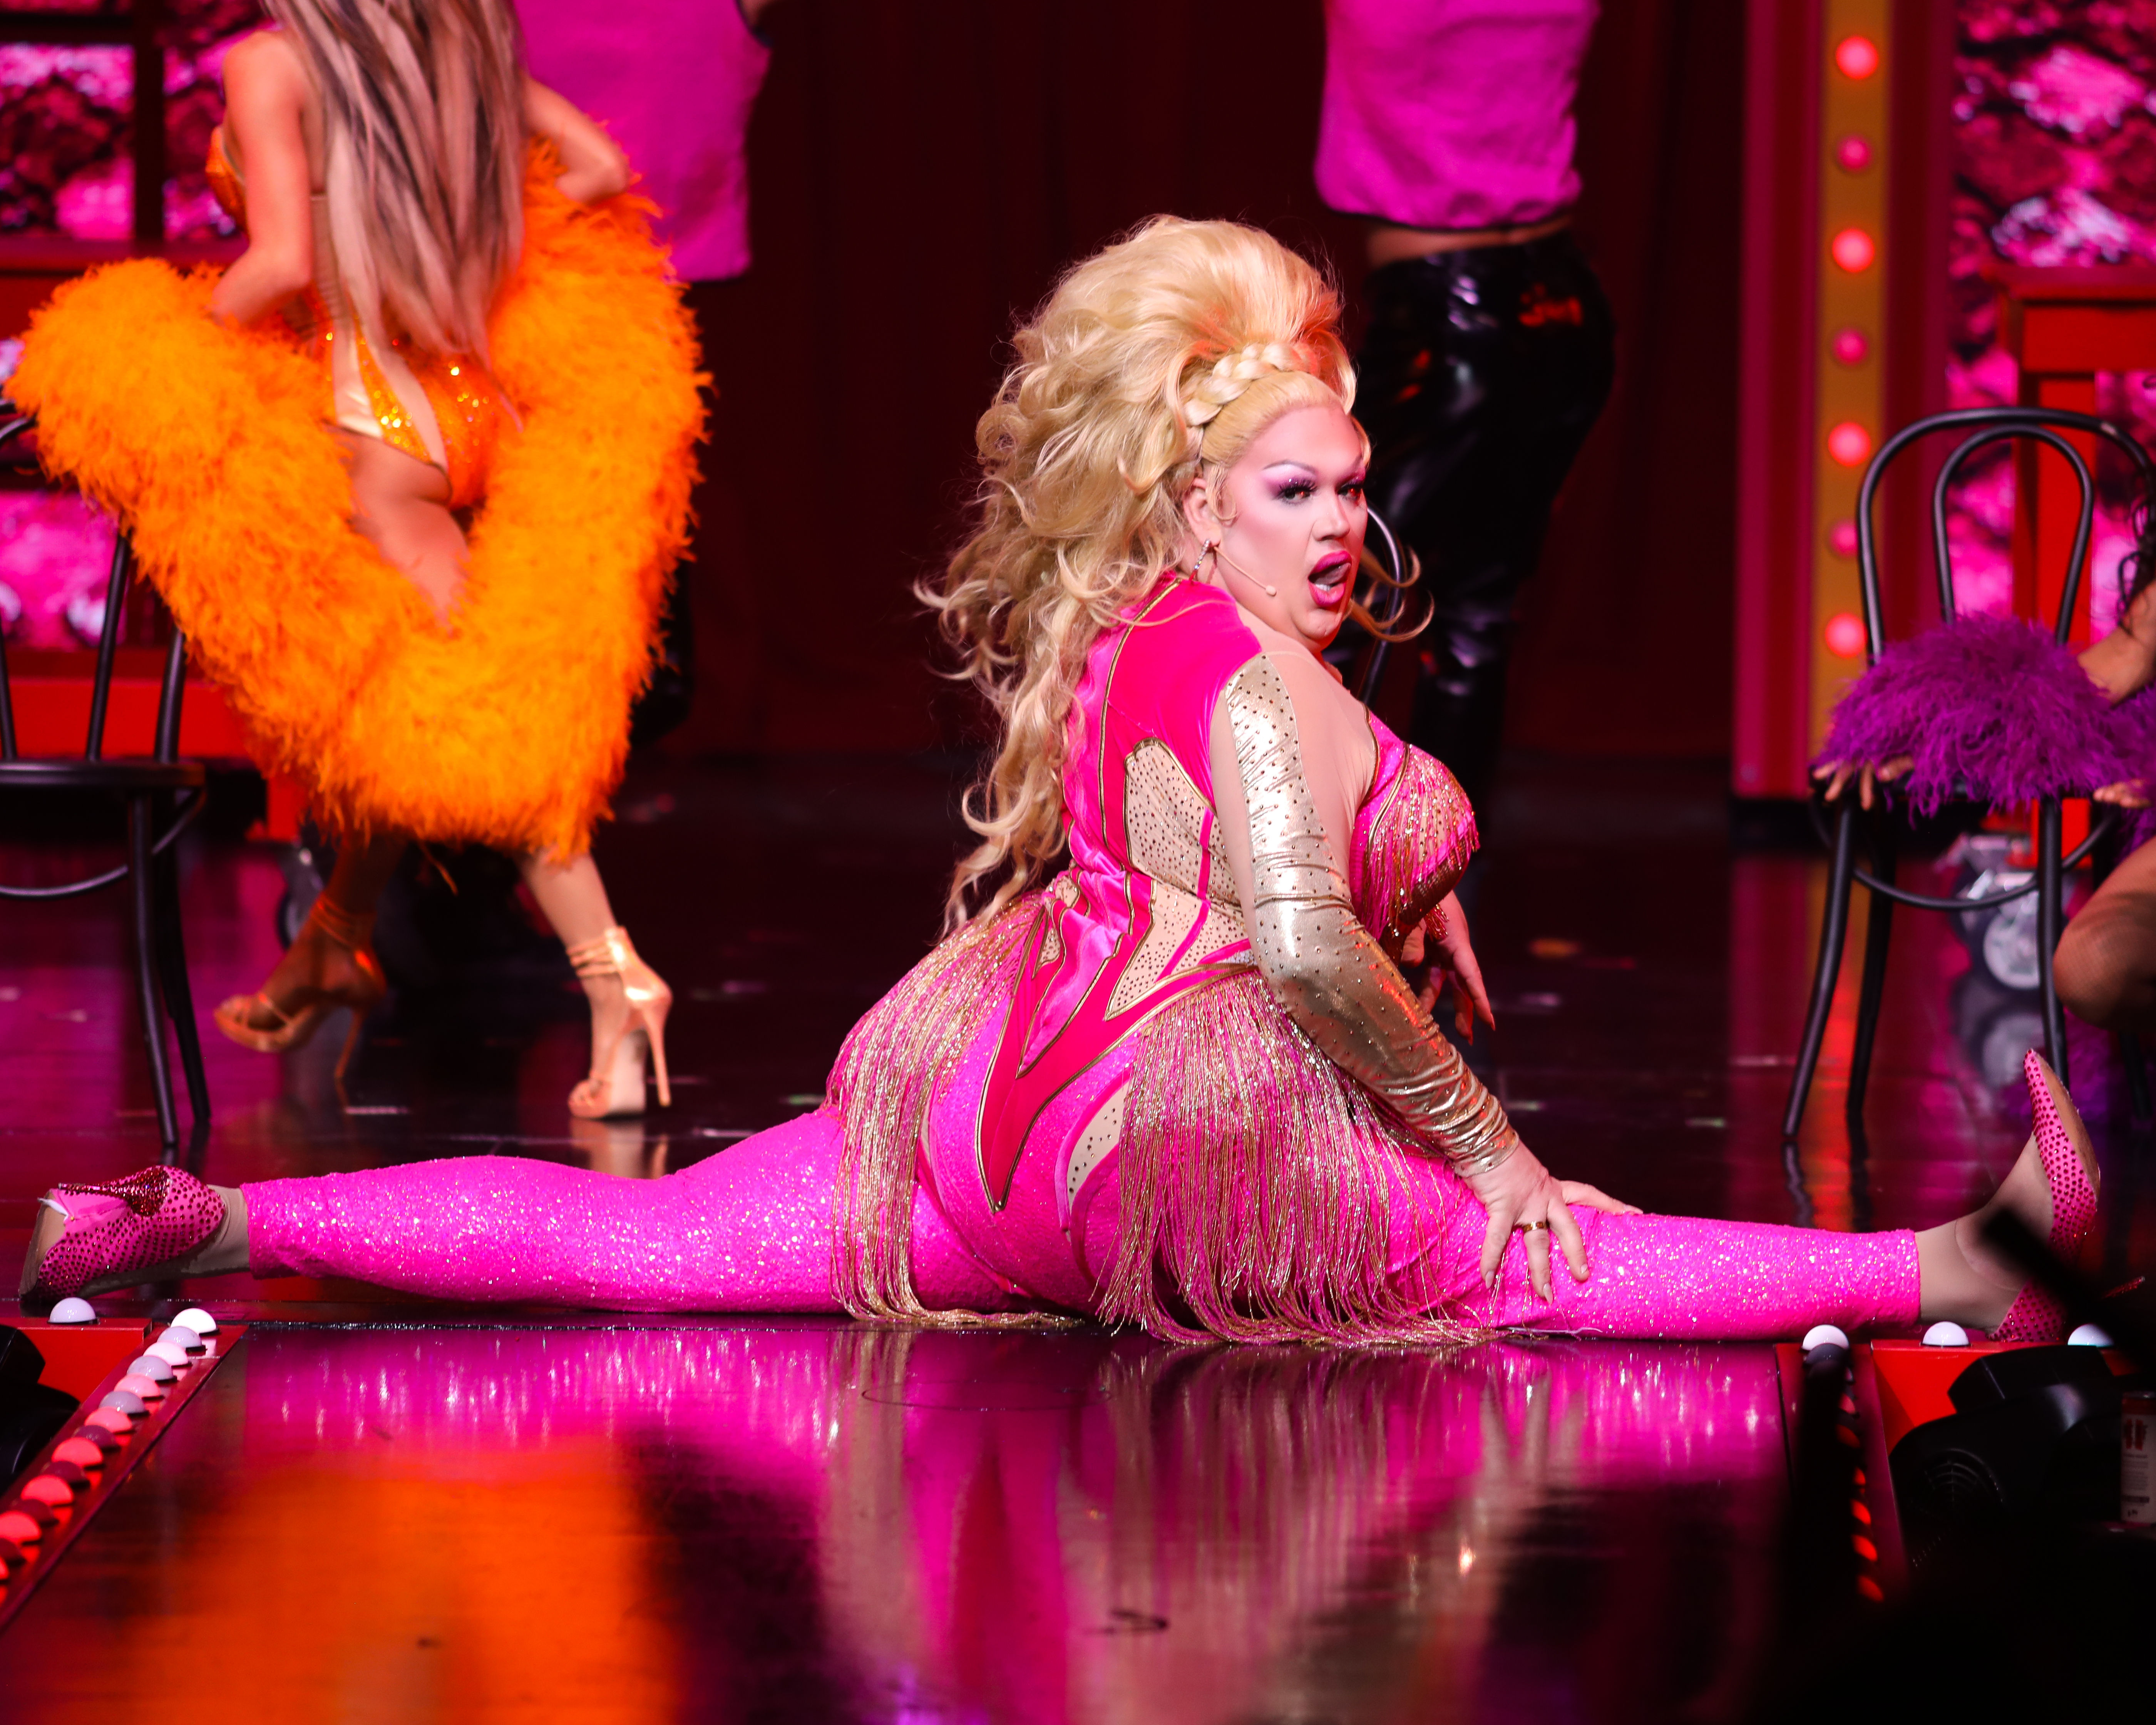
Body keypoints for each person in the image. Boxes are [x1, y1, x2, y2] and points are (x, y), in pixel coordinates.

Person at [21, 220, 2101, 1346]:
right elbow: (1302, 946)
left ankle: (202, 1218)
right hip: (1167, 1148)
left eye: (1351, 487)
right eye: (1292, 493)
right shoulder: (1270, 694)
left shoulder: (1133, 631)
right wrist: (1487, 1157)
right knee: (1553, 1259)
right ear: (1193, 498)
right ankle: (1954, 1266)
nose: (1338, 525)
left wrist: (1417, 870)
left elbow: (1262, 848)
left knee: (628, 1246)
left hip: (979, 1122)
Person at [9, 0, 702, 1118]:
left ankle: (615, 979)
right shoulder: (448, 53)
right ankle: (334, 938)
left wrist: (176, 350)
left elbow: (282, 264)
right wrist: (457, 253)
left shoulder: (273, 65)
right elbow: (602, 168)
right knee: (396, 708)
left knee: (476, 738)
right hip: (468, 411)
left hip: (371, 431)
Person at [1317, 0, 1615, 810]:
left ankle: (1302, 866)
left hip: (1447, 326)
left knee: (1328, 601)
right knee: (1477, 615)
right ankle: (1439, 872)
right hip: (1568, 314)